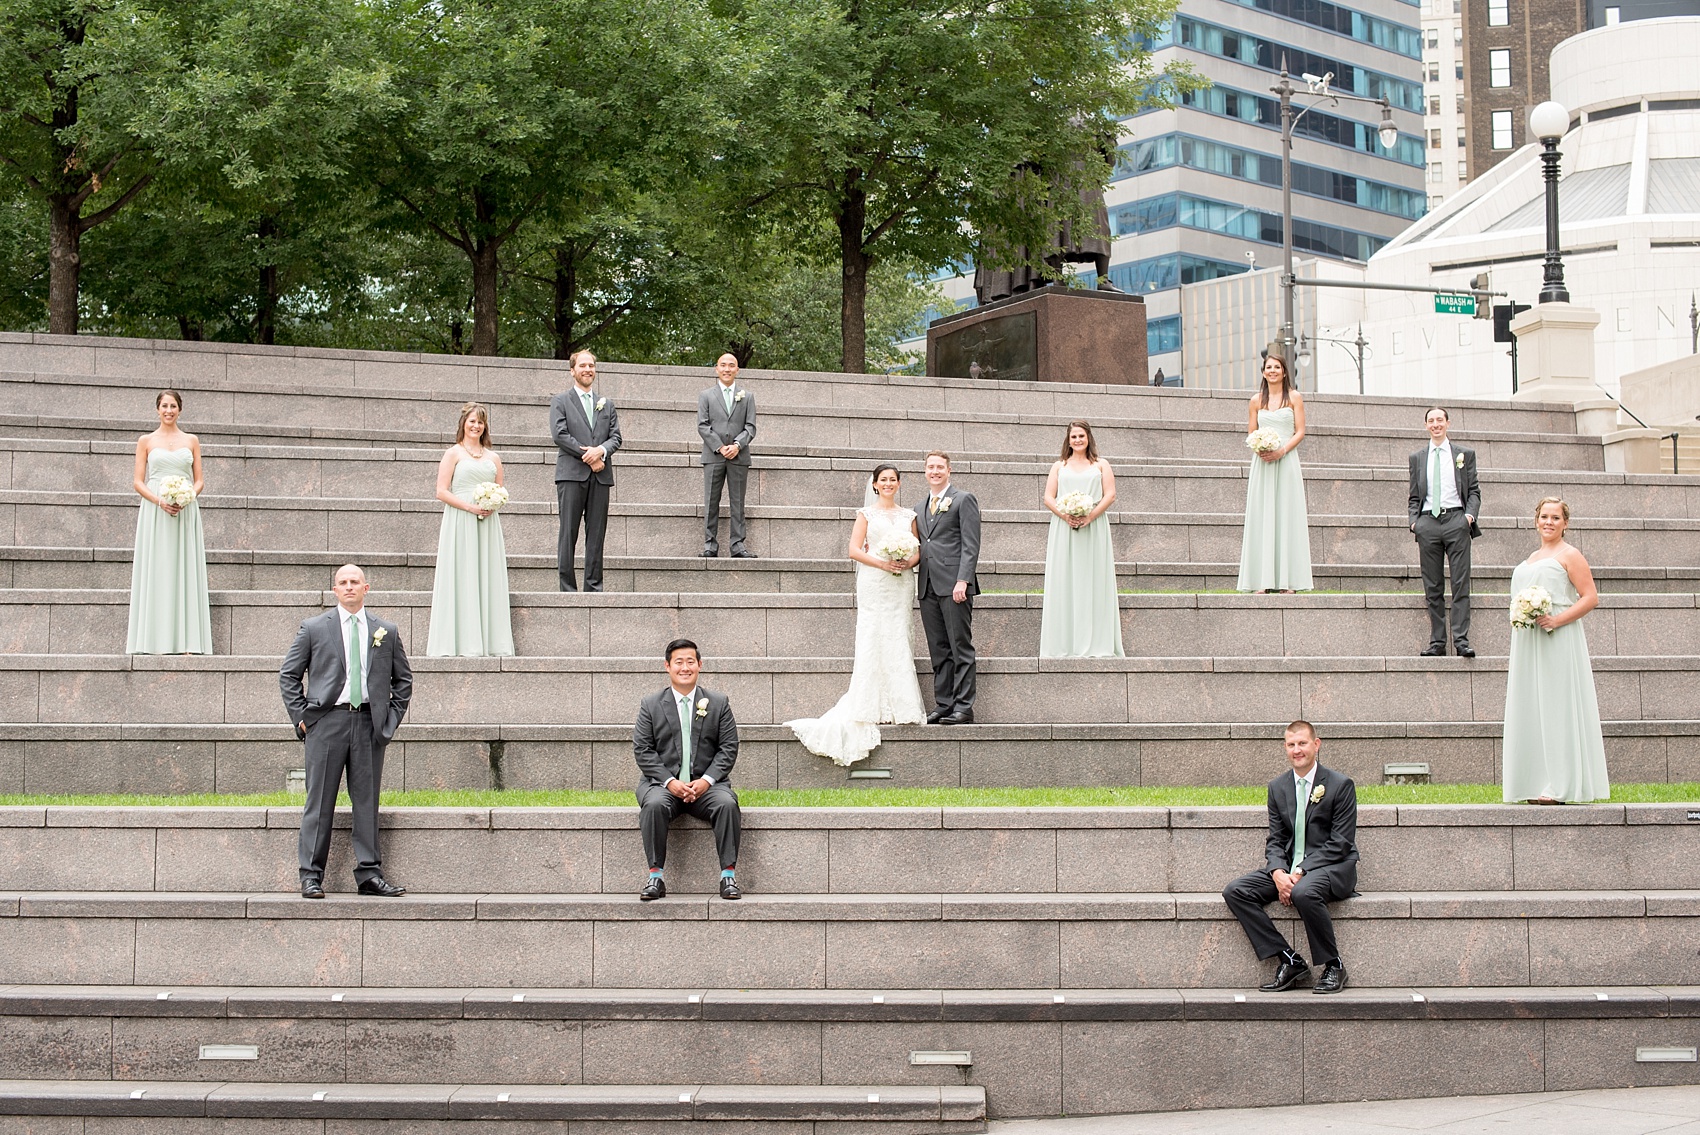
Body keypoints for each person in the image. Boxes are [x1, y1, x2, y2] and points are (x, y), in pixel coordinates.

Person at [279, 564, 413, 899]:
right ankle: (311, 875)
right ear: (334, 590)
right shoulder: (313, 628)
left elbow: (404, 682)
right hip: (327, 723)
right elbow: (289, 675)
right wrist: (302, 718)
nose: (349, 587)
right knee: (319, 800)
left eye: (355, 582)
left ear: (366, 588)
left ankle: (369, 874)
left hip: (369, 725)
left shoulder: (386, 630)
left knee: (366, 801)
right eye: (343, 582)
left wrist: (389, 721)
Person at [786, 464, 927, 765]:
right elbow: (853, 549)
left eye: (893, 480)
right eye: (883, 480)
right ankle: (869, 705)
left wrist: (906, 560)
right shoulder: (866, 514)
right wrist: (882, 563)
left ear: (899, 484)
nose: (888, 484)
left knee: (899, 634)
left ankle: (901, 707)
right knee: (873, 635)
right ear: (875, 485)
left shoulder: (909, 517)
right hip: (875, 582)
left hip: (901, 583)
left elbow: (917, 550)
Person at [1222, 720, 1358, 995]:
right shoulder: (1278, 787)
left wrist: (1301, 871)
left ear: (1316, 745)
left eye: (1303, 743)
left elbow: (1341, 842)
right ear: (1285, 748)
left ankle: (1334, 965)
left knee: (1304, 893)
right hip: (1290, 868)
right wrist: (1277, 873)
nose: (1297, 750)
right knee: (1236, 891)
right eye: (1291, 745)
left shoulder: (1340, 785)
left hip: (1331, 867)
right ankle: (1289, 959)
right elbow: (1276, 839)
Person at [1502, 497, 1609, 803]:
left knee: (1556, 706)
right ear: (1536, 520)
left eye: (1555, 518)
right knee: (1531, 705)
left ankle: (1560, 786)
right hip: (1527, 641)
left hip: (1558, 639)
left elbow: (1590, 598)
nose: (1549, 522)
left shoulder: (1570, 555)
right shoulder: (1531, 557)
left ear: (1565, 523)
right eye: (1544, 516)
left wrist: (1556, 620)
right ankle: (1534, 782)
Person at [632, 639, 743, 900]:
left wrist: (706, 781)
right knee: (654, 805)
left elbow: (728, 748)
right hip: (662, 786)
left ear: (700, 665)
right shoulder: (650, 704)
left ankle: (728, 876)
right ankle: (655, 877)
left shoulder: (717, 702)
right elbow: (643, 750)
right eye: (678, 662)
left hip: (706, 787)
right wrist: (670, 782)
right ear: (667, 666)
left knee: (727, 804)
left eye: (690, 661)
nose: (685, 667)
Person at [127, 389, 212, 654]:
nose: (168, 410)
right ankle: (151, 640)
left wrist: (188, 497)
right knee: (158, 567)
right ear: (157, 409)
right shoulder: (145, 441)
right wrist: (159, 501)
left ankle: (189, 641)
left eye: (173, 406)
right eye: (164, 405)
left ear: (180, 409)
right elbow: (137, 481)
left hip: (186, 511)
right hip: (155, 510)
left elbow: (199, 480)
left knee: (184, 567)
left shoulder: (192, 440)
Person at [427, 402, 514, 657]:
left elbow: (500, 490)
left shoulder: (493, 457)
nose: (476, 426)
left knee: (486, 574)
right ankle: (460, 641)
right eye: (472, 421)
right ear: (463, 423)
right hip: (460, 520)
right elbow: (441, 491)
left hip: (487, 523)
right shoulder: (453, 453)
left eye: (480, 422)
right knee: (462, 573)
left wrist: (492, 504)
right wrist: (469, 507)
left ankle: (490, 641)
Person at [1040, 421, 1123, 658]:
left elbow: (1110, 494)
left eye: (1081, 436)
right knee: (1064, 579)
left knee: (1093, 578)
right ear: (1068, 440)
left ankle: (1096, 641)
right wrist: (1066, 515)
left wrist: (1090, 516)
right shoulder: (1059, 466)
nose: (1077, 440)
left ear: (1089, 438)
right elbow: (1048, 497)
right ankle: (1063, 642)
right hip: (1063, 528)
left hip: (1094, 527)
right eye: (1073, 436)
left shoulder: (1101, 465)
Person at [1236, 349, 1313, 594]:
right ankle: (1262, 580)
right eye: (1268, 367)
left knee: (1286, 515)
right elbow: (1251, 431)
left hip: (1287, 460)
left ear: (1284, 372)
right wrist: (1259, 447)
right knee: (1263, 515)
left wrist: (1282, 450)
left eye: (1277, 367)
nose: (1272, 371)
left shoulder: (1294, 398)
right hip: (1263, 463)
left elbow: (1300, 431)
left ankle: (1287, 582)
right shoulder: (1256, 401)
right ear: (1263, 372)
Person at [1408, 406, 1481, 657]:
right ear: (1426, 425)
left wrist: (1468, 517)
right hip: (1428, 523)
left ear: (1448, 423)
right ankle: (1438, 643)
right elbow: (1414, 495)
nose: (1436, 424)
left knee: (1461, 583)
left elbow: (1474, 491)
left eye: (1440, 419)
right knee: (1433, 586)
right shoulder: (1417, 457)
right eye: (1431, 420)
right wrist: (1414, 522)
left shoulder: (1464, 454)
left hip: (1456, 521)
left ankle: (1461, 641)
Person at [550, 350, 622, 592]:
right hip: (571, 475)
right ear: (573, 370)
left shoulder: (606, 404)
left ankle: (593, 587)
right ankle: (567, 589)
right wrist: (589, 457)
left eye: (591, 365)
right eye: (582, 365)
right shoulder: (560, 401)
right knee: (568, 533)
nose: (587, 369)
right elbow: (560, 435)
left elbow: (616, 437)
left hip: (600, 477)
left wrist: (600, 451)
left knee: (596, 535)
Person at [917, 451, 981, 724]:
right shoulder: (919, 507)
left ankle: (963, 707)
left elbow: (971, 543)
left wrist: (963, 580)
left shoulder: (963, 499)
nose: (935, 471)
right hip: (927, 586)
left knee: (960, 646)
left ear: (949, 470)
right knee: (938, 649)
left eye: (939, 467)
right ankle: (943, 704)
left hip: (955, 586)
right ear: (925, 471)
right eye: (930, 467)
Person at [697, 352, 758, 558]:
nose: (727, 369)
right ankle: (710, 545)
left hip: (739, 457)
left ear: (737, 370)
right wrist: (720, 447)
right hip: (713, 456)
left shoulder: (747, 396)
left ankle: (738, 545)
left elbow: (750, 427)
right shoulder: (706, 395)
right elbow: (703, 425)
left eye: (731, 365)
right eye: (723, 365)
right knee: (711, 501)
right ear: (716, 368)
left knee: (738, 502)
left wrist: (737, 445)